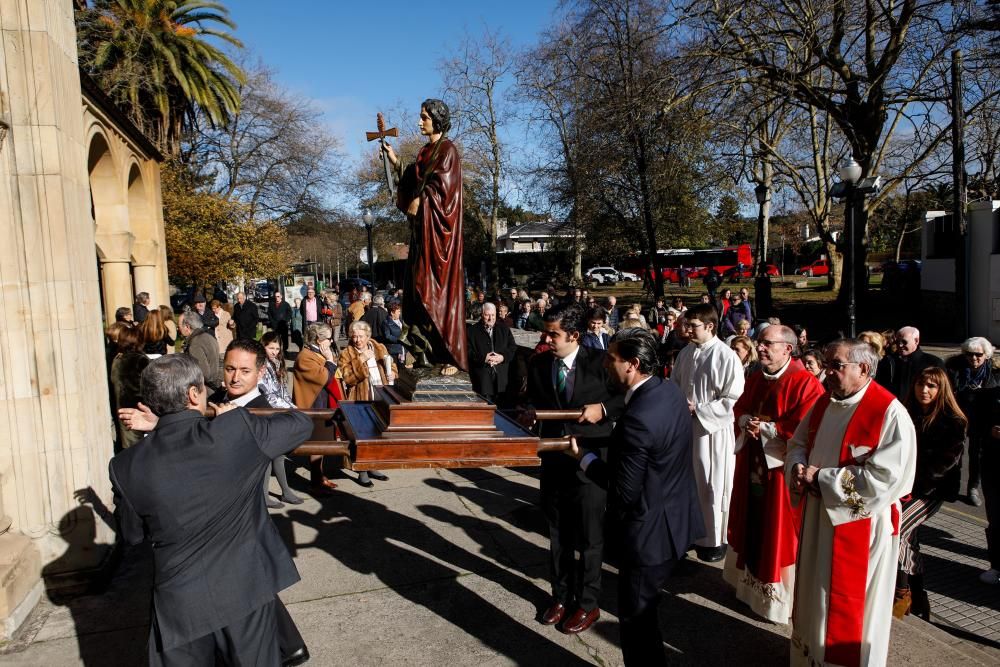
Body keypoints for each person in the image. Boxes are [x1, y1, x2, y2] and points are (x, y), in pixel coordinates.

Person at [112, 355, 312, 666]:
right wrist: (225, 416)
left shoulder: (125, 465)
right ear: (193, 394)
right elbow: (301, 423)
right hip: (243, 590)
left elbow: (132, 534)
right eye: (204, 389)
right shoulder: (232, 430)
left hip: (178, 604)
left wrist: (164, 426)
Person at [565, 328, 702, 666]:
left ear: (633, 364)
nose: (606, 363)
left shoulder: (639, 419)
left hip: (647, 535)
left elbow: (623, 491)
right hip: (676, 519)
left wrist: (584, 458)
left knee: (637, 624)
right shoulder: (667, 390)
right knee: (647, 618)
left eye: (611, 358)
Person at [785, 339, 916, 667]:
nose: (828, 373)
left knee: (850, 606)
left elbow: (886, 480)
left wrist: (822, 479)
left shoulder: (889, 412)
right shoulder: (825, 402)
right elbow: (798, 442)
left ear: (864, 369)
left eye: (837, 366)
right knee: (815, 592)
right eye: (827, 364)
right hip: (819, 516)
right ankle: (812, 656)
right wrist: (798, 467)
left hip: (860, 522)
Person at [522, 302, 624, 635]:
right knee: (557, 537)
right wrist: (528, 414)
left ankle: (588, 604)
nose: (546, 338)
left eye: (554, 334)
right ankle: (562, 597)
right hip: (553, 463)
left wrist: (604, 410)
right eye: (545, 332)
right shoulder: (538, 364)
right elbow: (533, 404)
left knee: (591, 539)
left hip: (590, 466)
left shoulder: (601, 364)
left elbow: (629, 398)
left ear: (575, 335)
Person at [725, 326, 824, 623]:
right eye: (760, 343)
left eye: (768, 344)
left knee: (774, 530)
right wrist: (744, 419)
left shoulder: (805, 384)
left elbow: (807, 429)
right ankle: (747, 588)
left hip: (780, 472)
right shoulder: (756, 378)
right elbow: (740, 407)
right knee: (751, 523)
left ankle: (775, 603)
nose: (762, 348)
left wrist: (768, 429)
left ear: (788, 349)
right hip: (754, 465)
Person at [383, 98, 467, 373]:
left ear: (437, 119)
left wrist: (424, 201)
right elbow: (413, 178)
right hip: (422, 236)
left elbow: (445, 191)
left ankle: (450, 356)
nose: (420, 122)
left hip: (440, 239)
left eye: (424, 117)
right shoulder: (424, 152)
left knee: (438, 293)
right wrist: (396, 162)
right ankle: (423, 354)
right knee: (416, 294)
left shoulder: (448, 150)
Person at [671, 303, 745, 562]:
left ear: (710, 326)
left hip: (712, 432)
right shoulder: (685, 353)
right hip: (685, 429)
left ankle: (713, 539)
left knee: (711, 482)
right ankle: (689, 533)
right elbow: (675, 386)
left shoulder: (726, 356)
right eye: (686, 324)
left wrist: (699, 409)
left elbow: (733, 398)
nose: (687, 330)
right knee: (687, 483)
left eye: (693, 325)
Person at [893, 367, 966, 619]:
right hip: (901, 487)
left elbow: (942, 466)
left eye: (932, 386)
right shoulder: (904, 414)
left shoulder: (952, 422)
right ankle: (919, 598)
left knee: (898, 529)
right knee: (908, 539)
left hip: (930, 491)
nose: (924, 390)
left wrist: (911, 488)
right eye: (920, 384)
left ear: (941, 390)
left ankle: (901, 593)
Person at [338, 321, 394, 488]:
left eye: (360, 336)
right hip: (359, 398)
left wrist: (393, 374)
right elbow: (347, 378)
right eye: (354, 336)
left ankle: (373, 466)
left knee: (378, 433)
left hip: (380, 396)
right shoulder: (346, 353)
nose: (357, 340)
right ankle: (362, 470)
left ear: (368, 336)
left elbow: (391, 365)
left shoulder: (379, 348)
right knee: (361, 436)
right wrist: (361, 359)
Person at [946, 336, 1000, 507]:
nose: (973, 358)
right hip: (959, 418)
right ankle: (952, 486)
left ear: (987, 355)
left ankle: (973, 488)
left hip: (982, 420)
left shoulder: (995, 373)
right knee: (956, 453)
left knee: (976, 455)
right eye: (969, 354)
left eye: (978, 355)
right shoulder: (954, 370)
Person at [292, 322, 341, 495]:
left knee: (322, 445)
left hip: (321, 403)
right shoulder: (305, 356)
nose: (331, 342)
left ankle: (320, 477)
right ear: (319, 340)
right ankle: (315, 483)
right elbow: (324, 378)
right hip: (313, 406)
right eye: (329, 338)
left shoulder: (315, 352)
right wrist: (329, 360)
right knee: (316, 446)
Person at [467, 303, 517, 404]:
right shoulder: (471, 331)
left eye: (493, 315)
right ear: (482, 314)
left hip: (502, 381)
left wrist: (502, 357)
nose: (491, 318)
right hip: (482, 382)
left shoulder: (504, 329)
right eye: (487, 315)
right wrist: (483, 358)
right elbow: (467, 352)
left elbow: (512, 348)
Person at [109, 326, 150, 451]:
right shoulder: (140, 360)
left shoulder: (117, 359)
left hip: (120, 408)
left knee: (128, 446)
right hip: (139, 409)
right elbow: (150, 385)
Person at [883, 325, 943, 399]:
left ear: (916, 341)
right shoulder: (889, 361)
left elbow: (943, 391)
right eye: (897, 342)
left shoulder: (933, 363)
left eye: (904, 342)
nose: (900, 345)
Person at [178, 311, 221, 391]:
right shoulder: (208, 336)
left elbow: (204, 374)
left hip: (206, 390)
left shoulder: (195, 343)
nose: (178, 329)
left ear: (187, 327)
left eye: (179, 326)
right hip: (216, 386)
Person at [382, 301, 407, 367]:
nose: (400, 313)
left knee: (402, 368)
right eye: (398, 311)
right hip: (393, 350)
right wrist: (399, 340)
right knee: (395, 368)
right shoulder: (386, 323)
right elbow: (387, 336)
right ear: (392, 313)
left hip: (403, 349)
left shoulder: (401, 320)